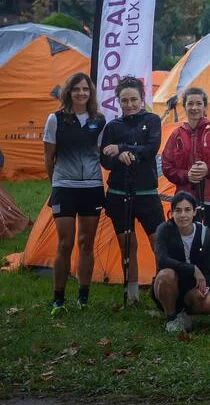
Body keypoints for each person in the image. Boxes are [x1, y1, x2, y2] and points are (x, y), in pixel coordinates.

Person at [161, 86, 210, 310]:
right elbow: (166, 166)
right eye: (190, 104)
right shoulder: (176, 134)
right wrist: (186, 175)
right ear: (184, 107)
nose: (194, 108)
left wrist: (209, 170)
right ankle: (187, 289)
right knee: (187, 246)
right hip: (186, 201)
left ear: (205, 107)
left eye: (198, 104)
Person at [43, 72, 105, 311]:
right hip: (64, 187)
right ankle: (58, 298)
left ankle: (83, 298)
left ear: (91, 93)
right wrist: (56, 183)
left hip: (91, 187)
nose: (81, 93)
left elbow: (101, 153)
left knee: (86, 243)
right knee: (65, 243)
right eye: (77, 89)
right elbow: (49, 157)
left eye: (85, 89)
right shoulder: (55, 119)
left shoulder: (99, 120)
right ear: (69, 92)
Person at [100, 75, 163, 305]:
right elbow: (105, 160)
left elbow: (150, 149)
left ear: (142, 98)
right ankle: (132, 295)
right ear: (118, 101)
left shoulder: (153, 120)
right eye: (124, 100)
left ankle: (163, 292)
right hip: (119, 193)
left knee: (159, 243)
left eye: (133, 99)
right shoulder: (112, 126)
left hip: (147, 193)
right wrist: (119, 156)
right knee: (127, 245)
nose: (129, 104)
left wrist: (121, 148)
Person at [151, 191, 210, 332]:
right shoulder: (164, 229)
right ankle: (171, 319)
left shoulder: (204, 233)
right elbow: (161, 260)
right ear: (172, 212)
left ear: (194, 212)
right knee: (166, 275)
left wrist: (205, 287)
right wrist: (192, 269)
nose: (183, 215)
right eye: (178, 210)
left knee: (209, 301)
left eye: (187, 210)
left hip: (191, 288)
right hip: (168, 284)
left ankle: (185, 315)